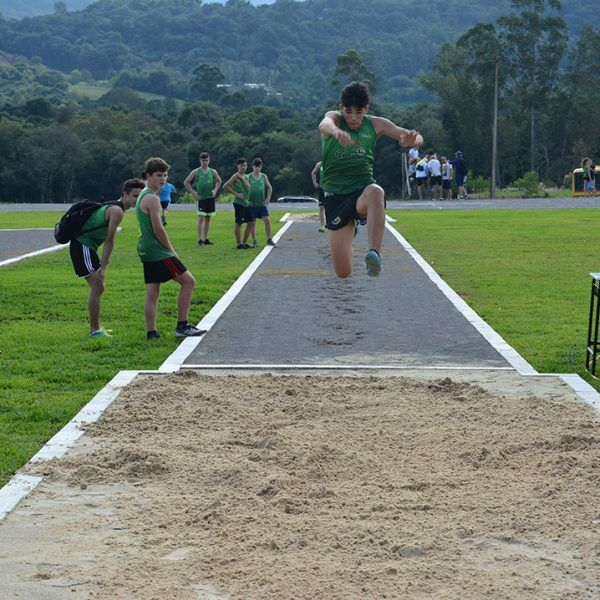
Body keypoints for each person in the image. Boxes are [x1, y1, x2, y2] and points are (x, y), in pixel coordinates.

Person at [318, 81, 422, 278]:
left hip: (361, 191)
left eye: (359, 112)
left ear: (366, 109)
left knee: (376, 191)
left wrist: (413, 140)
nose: (354, 117)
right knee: (343, 272)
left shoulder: (375, 124)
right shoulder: (334, 119)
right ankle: (352, 227)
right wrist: (335, 131)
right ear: (341, 108)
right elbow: (324, 124)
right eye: (348, 111)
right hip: (335, 196)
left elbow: (414, 137)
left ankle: (374, 252)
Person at [137, 157, 205, 340]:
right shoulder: (152, 198)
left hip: (146, 250)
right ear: (149, 176)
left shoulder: (145, 194)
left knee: (153, 292)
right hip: (156, 250)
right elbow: (158, 230)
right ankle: (182, 326)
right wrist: (172, 251)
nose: (163, 179)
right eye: (159, 175)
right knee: (189, 282)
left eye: (165, 175)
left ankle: (151, 333)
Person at [69, 178, 145, 337]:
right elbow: (110, 240)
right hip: (82, 246)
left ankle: (95, 328)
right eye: (135, 196)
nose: (137, 200)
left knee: (99, 286)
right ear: (125, 195)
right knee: (97, 286)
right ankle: (94, 330)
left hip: (87, 247)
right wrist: (103, 267)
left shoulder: (114, 206)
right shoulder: (117, 211)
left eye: (140, 196)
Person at [183, 152, 222, 246]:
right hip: (201, 198)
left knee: (208, 218)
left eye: (206, 160)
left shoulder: (213, 171)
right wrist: (194, 193)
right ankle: (199, 239)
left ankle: (205, 238)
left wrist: (215, 190)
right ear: (200, 161)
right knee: (201, 218)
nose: (205, 162)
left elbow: (219, 181)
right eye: (203, 160)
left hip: (210, 198)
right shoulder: (196, 172)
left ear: (209, 160)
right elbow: (186, 182)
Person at [223, 158, 253, 249]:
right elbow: (225, 186)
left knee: (251, 222)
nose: (243, 167)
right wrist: (237, 194)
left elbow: (248, 187)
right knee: (239, 223)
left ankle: (244, 242)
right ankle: (238, 243)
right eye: (241, 165)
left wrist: (242, 179)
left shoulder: (246, 176)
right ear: (238, 166)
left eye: (245, 165)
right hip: (239, 203)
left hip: (246, 202)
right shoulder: (235, 176)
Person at [248, 158, 276, 247]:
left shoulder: (264, 176)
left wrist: (268, 199)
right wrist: (247, 201)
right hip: (252, 204)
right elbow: (244, 189)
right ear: (252, 166)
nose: (257, 168)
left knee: (267, 220)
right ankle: (254, 241)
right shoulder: (248, 177)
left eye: (259, 166)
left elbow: (270, 188)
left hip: (261, 204)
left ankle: (269, 239)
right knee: (252, 222)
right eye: (256, 166)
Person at [311, 160, 327, 232]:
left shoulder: (332, 162)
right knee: (321, 207)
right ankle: (322, 225)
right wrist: (315, 182)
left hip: (331, 187)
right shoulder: (320, 164)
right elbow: (313, 173)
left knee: (331, 207)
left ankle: (331, 224)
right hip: (322, 188)